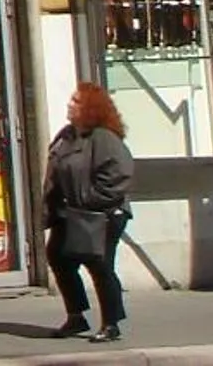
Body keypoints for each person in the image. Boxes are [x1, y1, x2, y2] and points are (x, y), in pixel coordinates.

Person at [43, 81, 135, 345]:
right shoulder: (67, 135)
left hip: (103, 214)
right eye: (71, 100)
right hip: (70, 212)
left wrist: (89, 199)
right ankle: (76, 316)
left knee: (99, 264)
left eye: (76, 101)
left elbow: (119, 175)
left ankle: (111, 323)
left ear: (91, 108)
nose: (70, 105)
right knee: (58, 257)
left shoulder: (104, 138)